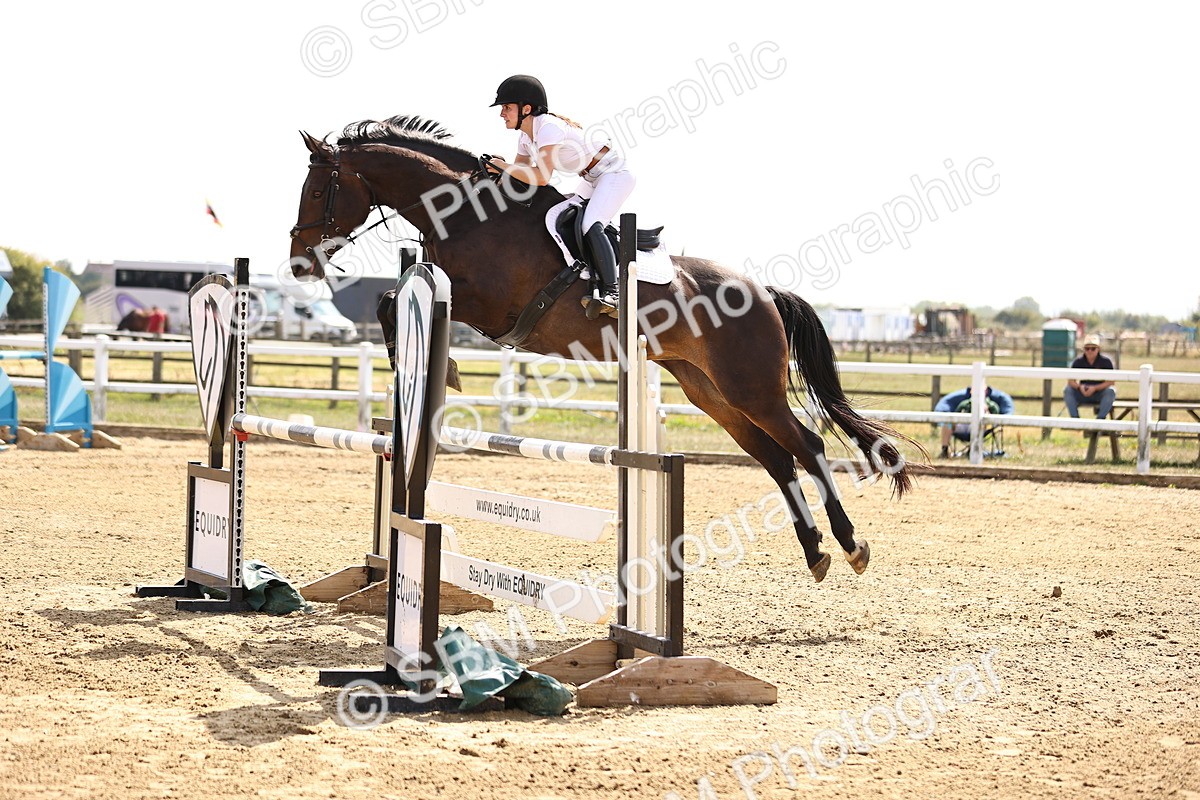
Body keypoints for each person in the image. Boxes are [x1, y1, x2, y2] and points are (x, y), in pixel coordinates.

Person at [487, 74, 635, 317]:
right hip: (591, 178)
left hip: (614, 173)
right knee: (561, 216)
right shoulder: (525, 137)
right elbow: (520, 176)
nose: (502, 113)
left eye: (506, 107)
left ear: (526, 109)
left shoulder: (548, 128)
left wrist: (503, 167)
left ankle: (613, 291)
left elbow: (542, 177)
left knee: (590, 223)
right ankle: (590, 278)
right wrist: (495, 173)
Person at [934, 385, 1014, 458]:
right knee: (947, 423)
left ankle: (974, 449)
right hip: (963, 425)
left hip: (981, 426)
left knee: (981, 422)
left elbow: (995, 416)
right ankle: (944, 450)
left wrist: (986, 411)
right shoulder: (965, 403)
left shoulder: (991, 404)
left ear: (986, 392)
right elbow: (958, 412)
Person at [1064, 334, 1116, 419]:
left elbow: (1111, 382)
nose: (1090, 351)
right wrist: (1080, 387)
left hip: (1099, 393)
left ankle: (1100, 420)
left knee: (1111, 391)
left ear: (1098, 349)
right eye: (1087, 348)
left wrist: (1095, 388)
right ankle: (1075, 420)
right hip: (1082, 392)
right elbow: (1070, 381)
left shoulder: (1106, 362)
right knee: (1068, 390)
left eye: (1093, 348)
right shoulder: (1078, 362)